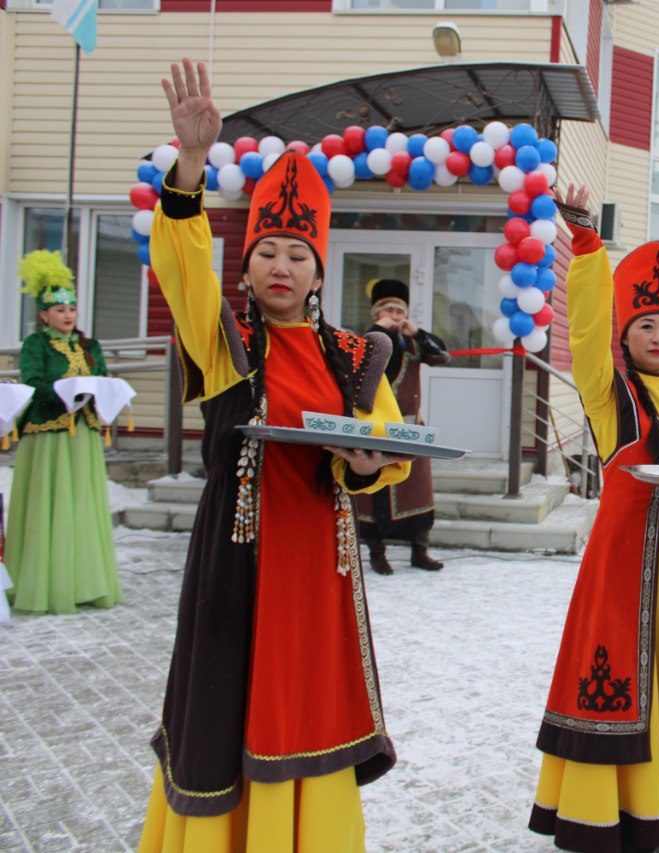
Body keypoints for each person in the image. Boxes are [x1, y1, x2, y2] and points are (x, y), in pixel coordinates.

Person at [139, 59, 410, 850]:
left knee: (307, 707)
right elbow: (182, 268)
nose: (281, 267)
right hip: (235, 559)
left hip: (317, 564)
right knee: (226, 703)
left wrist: (370, 466)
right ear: (246, 264)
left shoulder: (357, 353)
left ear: (319, 268)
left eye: (297, 253)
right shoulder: (226, 341)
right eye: (267, 253)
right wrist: (190, 166)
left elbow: (385, 439)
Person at [530, 184, 659, 851]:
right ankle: (612, 808)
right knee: (623, 664)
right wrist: (587, 243)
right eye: (645, 325)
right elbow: (584, 330)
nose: (657, 335)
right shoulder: (607, 389)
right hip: (624, 555)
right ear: (627, 334)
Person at [5, 249, 122, 616]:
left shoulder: (90, 345)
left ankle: (84, 582)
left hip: (83, 436)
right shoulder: (36, 345)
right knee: (48, 506)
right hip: (48, 436)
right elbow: (33, 382)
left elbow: (100, 375)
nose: (67, 315)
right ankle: (44, 585)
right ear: (44, 315)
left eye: (71, 308)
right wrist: (65, 391)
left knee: (81, 507)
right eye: (59, 309)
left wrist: (99, 390)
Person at [355, 278, 451, 574]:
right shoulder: (366, 340)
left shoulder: (412, 344)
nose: (395, 316)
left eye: (399, 311)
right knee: (373, 493)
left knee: (417, 490)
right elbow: (364, 363)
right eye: (389, 311)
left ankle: (420, 551)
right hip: (376, 427)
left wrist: (418, 332)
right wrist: (380, 330)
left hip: (410, 428)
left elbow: (441, 356)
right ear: (376, 315)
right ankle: (377, 553)